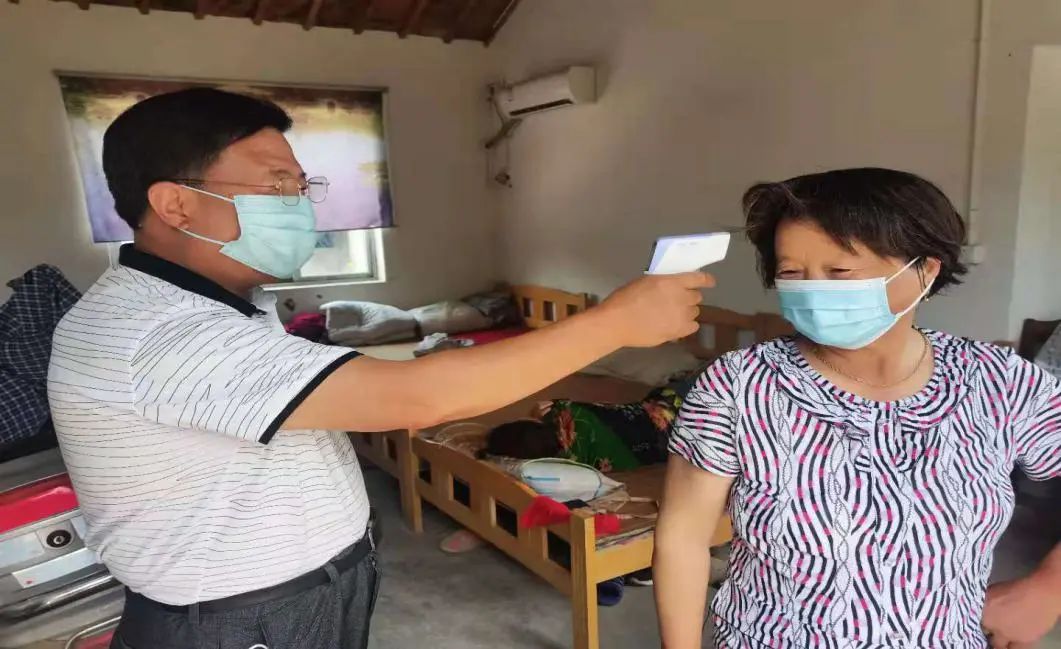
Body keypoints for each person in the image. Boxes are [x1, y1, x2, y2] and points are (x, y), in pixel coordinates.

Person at [46, 88, 712, 649]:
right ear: (176, 204)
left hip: (288, 595)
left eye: (300, 184)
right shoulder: (159, 330)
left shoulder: (213, 304)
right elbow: (416, 398)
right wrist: (612, 323)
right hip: (237, 620)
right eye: (276, 183)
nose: (299, 202)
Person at [654, 168, 1061, 648]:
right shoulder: (739, 385)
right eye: (791, 273)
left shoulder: (1000, 383)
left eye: (840, 272)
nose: (813, 289)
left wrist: (1048, 589)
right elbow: (682, 539)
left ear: (925, 271)